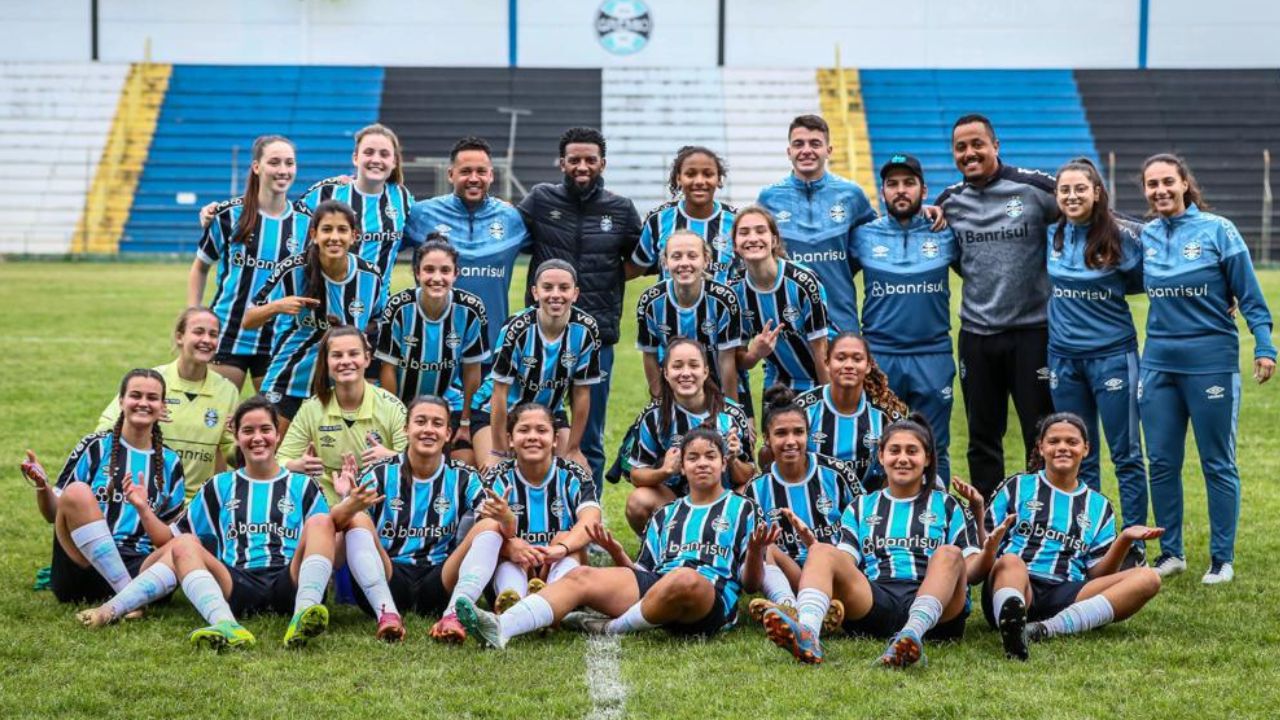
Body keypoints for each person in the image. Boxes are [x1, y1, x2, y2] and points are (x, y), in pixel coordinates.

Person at [453, 426, 774, 647]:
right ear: (681, 466)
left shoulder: (744, 508)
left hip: (708, 600)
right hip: (659, 591)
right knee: (580, 576)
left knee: (684, 579)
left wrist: (757, 551)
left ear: (722, 463)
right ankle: (501, 628)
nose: (702, 463)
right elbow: (645, 575)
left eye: (710, 456)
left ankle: (611, 628)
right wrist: (617, 552)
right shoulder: (666, 514)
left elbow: (748, 583)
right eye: (693, 457)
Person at [76, 397, 336, 650]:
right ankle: (225, 625)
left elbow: (326, 541)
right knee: (184, 543)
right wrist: (143, 509)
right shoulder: (218, 486)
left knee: (322, 522)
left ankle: (304, 612)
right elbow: (168, 542)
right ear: (236, 436)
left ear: (278, 435)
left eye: (265, 429)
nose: (257, 437)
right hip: (237, 582)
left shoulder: (303, 485)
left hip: (288, 578)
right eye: (248, 430)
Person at [1138, 154, 1275, 583]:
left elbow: (1249, 295)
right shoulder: (1144, 236)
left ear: (1184, 184)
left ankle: (1222, 559)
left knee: (1217, 462)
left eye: (1167, 182)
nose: (1159, 190)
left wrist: (1265, 345)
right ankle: (1171, 552)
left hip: (1211, 363)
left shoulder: (1219, 231)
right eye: (1151, 184)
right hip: (1157, 364)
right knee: (1160, 462)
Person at [760, 415, 991, 668]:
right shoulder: (861, 506)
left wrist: (988, 551)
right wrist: (816, 550)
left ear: (927, 459)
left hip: (939, 611)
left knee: (949, 553)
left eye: (912, 451)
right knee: (822, 551)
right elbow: (845, 563)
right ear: (881, 457)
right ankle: (808, 633)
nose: (902, 458)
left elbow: (971, 572)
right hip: (878, 600)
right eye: (894, 450)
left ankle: (911, 634)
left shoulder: (948, 505)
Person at [326, 395, 516, 643]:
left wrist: (506, 517)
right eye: (421, 422)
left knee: (490, 524)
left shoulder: (462, 476)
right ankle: (387, 613)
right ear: (406, 429)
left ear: (448, 433)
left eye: (437, 424)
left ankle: (454, 615)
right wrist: (349, 505)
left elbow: (506, 530)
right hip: (388, 575)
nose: (428, 430)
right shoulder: (380, 472)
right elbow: (336, 523)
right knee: (357, 518)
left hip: (439, 581)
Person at [936, 114, 1059, 497]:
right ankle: (986, 518)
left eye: (977, 144)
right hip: (977, 335)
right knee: (982, 434)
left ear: (995, 146)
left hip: (1032, 332)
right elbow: (950, 255)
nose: (969, 153)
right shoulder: (949, 203)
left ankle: (1038, 511)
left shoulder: (1036, 189)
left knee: (1039, 431)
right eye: (961, 147)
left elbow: (1092, 215)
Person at [518, 126, 643, 488]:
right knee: (534, 427)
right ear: (562, 163)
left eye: (590, 160)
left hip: (597, 337)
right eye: (575, 160)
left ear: (603, 163)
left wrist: (611, 277)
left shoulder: (620, 209)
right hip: (540, 339)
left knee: (589, 436)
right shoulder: (541, 199)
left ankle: (589, 519)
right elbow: (509, 230)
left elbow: (642, 257)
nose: (582, 166)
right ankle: (533, 510)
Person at [983, 412, 1164, 661]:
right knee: (1011, 561)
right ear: (1041, 447)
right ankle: (1012, 620)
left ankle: (1044, 629)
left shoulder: (1099, 506)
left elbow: (1097, 574)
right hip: (1016, 582)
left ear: (1086, 449)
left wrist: (1123, 540)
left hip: (1066, 591)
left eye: (1072, 442)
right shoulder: (1017, 486)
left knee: (1149, 577)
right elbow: (985, 542)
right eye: (1054, 441)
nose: (1062, 448)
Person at [1045, 157, 1148, 539]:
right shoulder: (1051, 235)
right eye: (1065, 190)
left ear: (1097, 192)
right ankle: (1091, 538)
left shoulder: (1121, 236)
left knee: (1126, 455)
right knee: (1077, 453)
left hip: (1112, 358)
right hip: (1063, 359)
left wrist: (1223, 293)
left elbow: (1160, 273)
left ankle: (1134, 541)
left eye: (1080, 189)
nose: (1072, 196)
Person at [21, 369, 185, 604]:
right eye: (135, 395)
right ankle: (130, 597)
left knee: (187, 542)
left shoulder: (171, 462)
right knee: (77, 491)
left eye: (152, 398)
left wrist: (143, 509)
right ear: (121, 401)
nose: (143, 403)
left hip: (138, 565)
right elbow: (54, 514)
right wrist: (42, 486)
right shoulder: (95, 446)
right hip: (84, 567)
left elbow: (168, 535)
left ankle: (126, 595)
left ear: (162, 406)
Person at [852, 154, 959, 483]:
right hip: (881, 356)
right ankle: (873, 524)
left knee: (935, 445)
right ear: (882, 192)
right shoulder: (862, 236)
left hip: (933, 355)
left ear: (924, 190)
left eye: (908, 183)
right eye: (892, 184)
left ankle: (937, 520)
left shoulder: (946, 232)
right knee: (876, 445)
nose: (901, 190)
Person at [243, 199, 388, 425]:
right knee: (268, 449)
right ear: (314, 234)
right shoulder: (292, 270)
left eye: (342, 230)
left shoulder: (370, 277)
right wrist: (278, 306)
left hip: (341, 385)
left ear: (354, 236)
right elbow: (248, 320)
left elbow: (378, 327)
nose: (334, 237)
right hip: (289, 378)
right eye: (327, 229)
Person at [188, 135, 308, 391]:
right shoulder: (229, 215)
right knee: (216, 417)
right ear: (257, 167)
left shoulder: (305, 223)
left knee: (273, 424)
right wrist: (194, 314)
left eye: (289, 163)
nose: (283, 170)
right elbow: (200, 266)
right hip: (227, 332)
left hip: (277, 337)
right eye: (274, 162)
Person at [743, 387, 862, 630]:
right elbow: (752, 572)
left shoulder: (837, 474)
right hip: (790, 576)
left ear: (809, 434)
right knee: (769, 548)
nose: (790, 441)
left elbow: (867, 522)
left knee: (822, 556)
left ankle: (797, 610)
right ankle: (788, 605)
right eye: (781, 433)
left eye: (798, 432)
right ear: (767, 438)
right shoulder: (756, 489)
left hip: (834, 571)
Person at [470, 261, 601, 471]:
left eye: (564, 288)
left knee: (575, 472)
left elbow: (581, 393)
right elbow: (499, 393)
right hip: (496, 411)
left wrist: (574, 448)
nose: (556, 294)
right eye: (547, 287)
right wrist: (498, 451)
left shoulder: (586, 329)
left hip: (549, 413)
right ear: (535, 292)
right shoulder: (516, 328)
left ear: (575, 293)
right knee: (498, 473)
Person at [756, 115, 878, 336]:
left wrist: (923, 212)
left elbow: (876, 240)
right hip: (787, 321)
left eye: (815, 143)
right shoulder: (769, 198)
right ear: (789, 152)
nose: (806, 150)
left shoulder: (852, 194)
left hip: (840, 319)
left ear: (828, 150)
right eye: (798, 144)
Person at [95, 307, 238, 496]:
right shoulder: (152, 383)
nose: (206, 340)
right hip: (147, 495)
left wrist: (245, 441)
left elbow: (231, 453)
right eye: (198, 332)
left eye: (213, 334)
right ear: (180, 337)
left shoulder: (227, 391)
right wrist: (138, 418)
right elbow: (102, 432)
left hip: (196, 502)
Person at [404, 136, 529, 351]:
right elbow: (380, 246)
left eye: (481, 171)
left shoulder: (512, 218)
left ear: (491, 175)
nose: (473, 178)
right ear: (451, 174)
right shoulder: (421, 213)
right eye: (465, 171)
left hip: (490, 347)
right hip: (433, 348)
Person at [621, 338, 756, 535]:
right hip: (676, 502)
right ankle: (660, 550)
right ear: (665, 373)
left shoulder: (732, 413)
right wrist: (665, 471)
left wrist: (734, 459)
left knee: (751, 494)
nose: (686, 373)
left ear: (706, 371)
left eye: (694, 365)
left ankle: (734, 549)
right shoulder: (653, 417)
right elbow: (636, 474)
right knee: (638, 501)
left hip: (724, 500)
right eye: (677, 366)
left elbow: (749, 474)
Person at [477, 403, 601, 613]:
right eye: (524, 430)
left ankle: (551, 597)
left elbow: (591, 520)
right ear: (510, 440)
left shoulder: (573, 475)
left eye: (541, 430)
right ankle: (514, 598)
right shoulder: (496, 477)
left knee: (566, 539)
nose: (533, 436)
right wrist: (510, 547)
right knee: (501, 546)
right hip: (515, 562)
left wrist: (561, 548)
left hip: (557, 561)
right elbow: (482, 532)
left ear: (554, 440)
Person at [377, 240, 489, 465]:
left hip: (448, 399)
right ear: (417, 273)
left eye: (445, 270)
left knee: (464, 459)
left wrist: (465, 422)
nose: (437, 278)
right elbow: (388, 369)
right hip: (400, 399)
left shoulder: (471, 309)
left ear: (456, 273)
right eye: (429, 270)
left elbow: (472, 370)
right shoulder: (398, 307)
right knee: (392, 458)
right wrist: (397, 420)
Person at [277, 325, 407, 501]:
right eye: (337, 355)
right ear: (326, 362)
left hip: (378, 503)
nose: (345, 361)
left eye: (353, 354)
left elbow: (414, 462)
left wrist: (390, 458)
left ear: (367, 359)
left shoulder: (391, 407)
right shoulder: (311, 409)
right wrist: (297, 464)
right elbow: (280, 460)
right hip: (325, 506)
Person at [295, 123, 414, 281]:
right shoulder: (328, 192)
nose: (376, 159)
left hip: (378, 303)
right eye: (369, 152)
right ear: (355, 158)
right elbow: (290, 230)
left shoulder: (403, 197)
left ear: (394, 162)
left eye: (384, 154)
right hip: (325, 300)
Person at [731, 206, 830, 395]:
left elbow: (821, 353)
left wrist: (824, 403)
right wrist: (755, 354)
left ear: (774, 240)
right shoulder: (735, 291)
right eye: (744, 233)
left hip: (821, 378)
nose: (752, 238)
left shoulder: (804, 282)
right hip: (778, 383)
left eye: (761, 231)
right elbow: (738, 358)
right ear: (735, 244)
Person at [636, 230, 743, 403]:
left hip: (717, 390)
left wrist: (731, 410)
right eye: (676, 256)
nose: (684, 263)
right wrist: (660, 403)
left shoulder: (724, 299)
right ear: (664, 262)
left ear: (706, 261)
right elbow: (650, 355)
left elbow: (727, 359)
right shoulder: (651, 301)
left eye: (692, 256)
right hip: (675, 389)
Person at [794, 332, 909, 490]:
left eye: (857, 359)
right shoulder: (804, 408)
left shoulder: (884, 414)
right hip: (814, 503)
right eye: (841, 358)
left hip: (868, 508)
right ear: (827, 363)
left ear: (868, 366)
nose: (849, 365)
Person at [631, 145, 738, 284]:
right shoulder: (658, 220)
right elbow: (638, 266)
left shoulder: (736, 221)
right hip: (669, 306)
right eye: (690, 174)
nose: (699, 181)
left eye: (708, 174)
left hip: (721, 306)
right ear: (679, 178)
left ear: (719, 179)